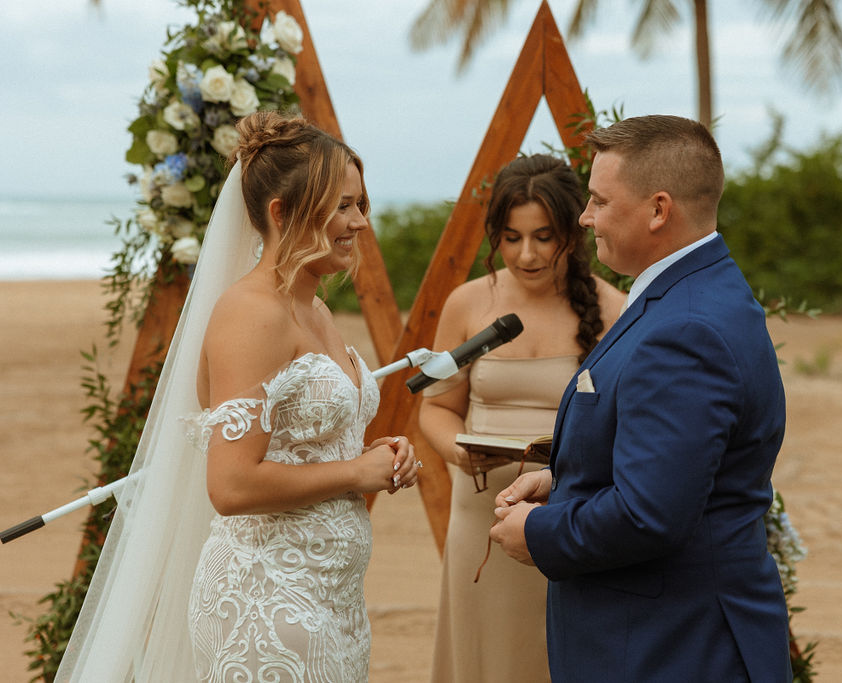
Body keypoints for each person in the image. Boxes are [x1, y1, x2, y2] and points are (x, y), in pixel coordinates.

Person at [55, 111, 420, 682]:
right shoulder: (252, 314)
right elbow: (230, 485)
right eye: (343, 206)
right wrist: (355, 473)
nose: (360, 223)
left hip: (332, 599)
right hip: (266, 603)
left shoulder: (315, 306)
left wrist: (383, 457)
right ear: (281, 213)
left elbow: (310, 443)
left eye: (362, 205)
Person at [490, 116, 792, 682]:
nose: (585, 217)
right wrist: (565, 479)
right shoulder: (695, 290)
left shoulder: (687, 328)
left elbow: (649, 515)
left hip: (670, 648)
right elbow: (682, 468)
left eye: (600, 201)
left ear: (658, 210)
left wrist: (538, 532)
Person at [418, 154, 625, 683]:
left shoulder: (616, 310)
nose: (526, 254)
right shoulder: (466, 304)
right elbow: (437, 408)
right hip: (479, 510)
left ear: (573, 233)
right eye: (511, 238)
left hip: (568, 514)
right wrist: (457, 453)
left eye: (543, 237)